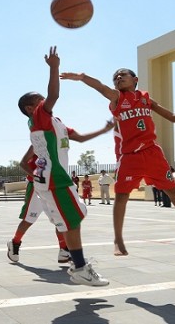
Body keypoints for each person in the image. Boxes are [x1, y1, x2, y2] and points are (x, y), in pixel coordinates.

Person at [61, 67, 175, 256]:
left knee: (173, 191)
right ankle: (118, 240)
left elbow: (171, 116)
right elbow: (101, 88)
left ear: (135, 80)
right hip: (129, 156)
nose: (118, 78)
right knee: (121, 196)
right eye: (115, 77)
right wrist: (82, 77)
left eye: (122, 75)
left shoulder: (146, 99)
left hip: (152, 152)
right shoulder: (117, 98)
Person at [16, 46, 108, 286]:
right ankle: (79, 267)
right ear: (30, 108)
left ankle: (73, 260)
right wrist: (54, 67)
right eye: (39, 100)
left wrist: (106, 129)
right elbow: (54, 95)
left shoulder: (55, 123)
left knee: (74, 218)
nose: (45, 101)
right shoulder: (37, 117)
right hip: (53, 178)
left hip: (57, 178)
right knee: (72, 220)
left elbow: (80, 138)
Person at [7, 121, 113, 264]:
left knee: (62, 219)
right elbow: (23, 163)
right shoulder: (38, 145)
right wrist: (35, 176)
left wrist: (104, 130)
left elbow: (80, 138)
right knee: (29, 219)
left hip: (55, 185)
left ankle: (64, 250)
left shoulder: (61, 141)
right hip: (37, 186)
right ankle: (15, 242)